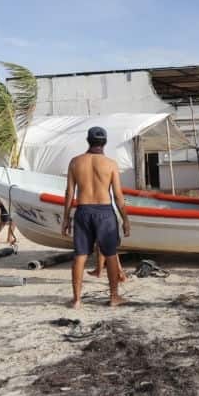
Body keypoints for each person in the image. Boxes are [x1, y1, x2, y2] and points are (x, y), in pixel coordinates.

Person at [61, 126, 131, 308]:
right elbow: (118, 195)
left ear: (88, 140)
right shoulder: (111, 164)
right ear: (105, 142)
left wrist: (66, 217)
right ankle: (114, 297)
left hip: (83, 210)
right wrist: (125, 219)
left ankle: (77, 300)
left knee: (80, 256)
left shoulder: (75, 162)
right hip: (105, 213)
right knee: (111, 255)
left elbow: (69, 192)